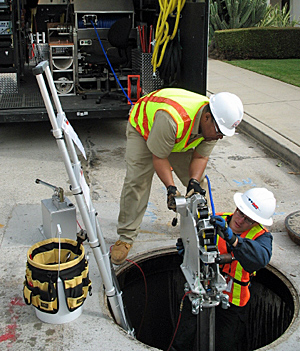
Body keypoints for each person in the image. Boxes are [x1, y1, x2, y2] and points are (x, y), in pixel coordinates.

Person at [110, 88, 244, 265]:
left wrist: (193, 182)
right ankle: (126, 236)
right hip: (145, 129)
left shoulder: (214, 123)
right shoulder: (172, 119)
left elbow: (201, 157)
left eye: (224, 134)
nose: (220, 137)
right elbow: (159, 157)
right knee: (137, 182)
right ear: (206, 118)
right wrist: (171, 189)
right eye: (219, 131)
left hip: (178, 135)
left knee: (199, 187)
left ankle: (203, 229)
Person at [171, 187, 276, 351]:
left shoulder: (261, 237)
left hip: (232, 304)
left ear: (256, 222)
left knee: (225, 345)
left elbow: (259, 259)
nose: (240, 220)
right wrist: (188, 251)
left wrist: (233, 240)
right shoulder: (215, 221)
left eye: (248, 220)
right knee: (182, 340)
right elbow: (195, 245)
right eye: (240, 213)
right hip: (199, 292)